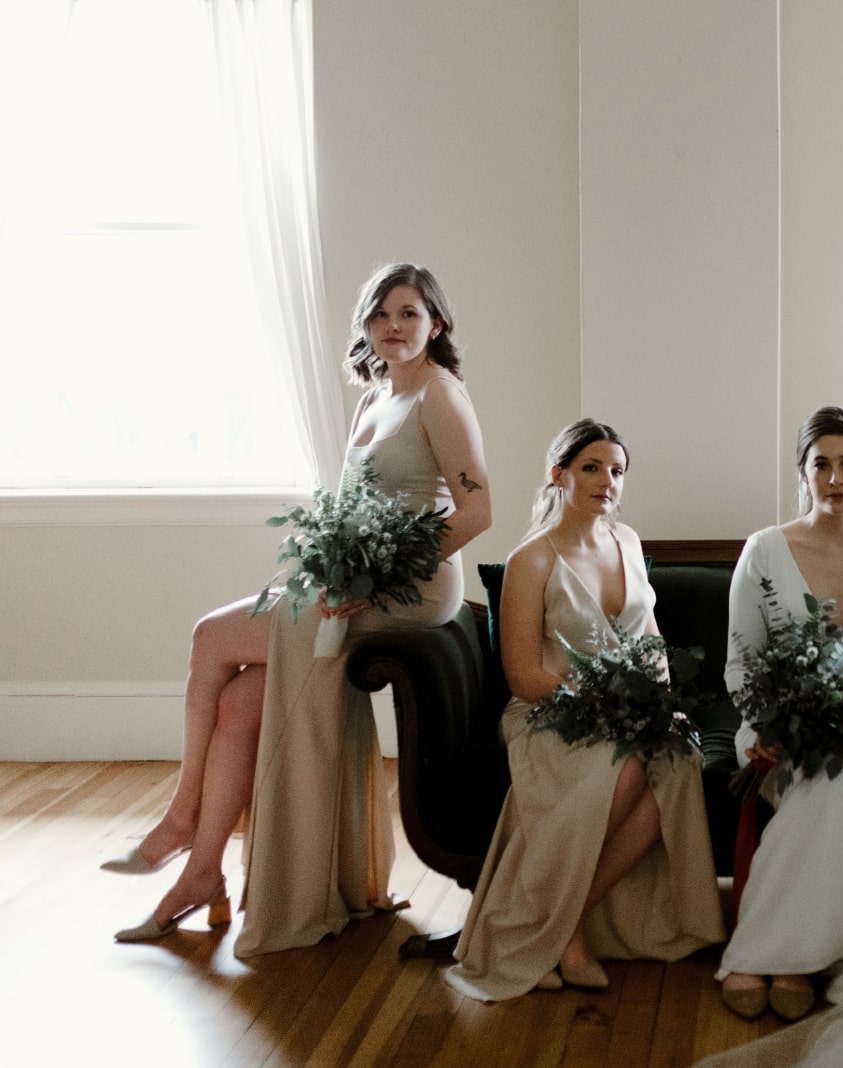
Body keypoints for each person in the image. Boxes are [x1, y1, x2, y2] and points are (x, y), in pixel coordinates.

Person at [105, 263, 492, 948]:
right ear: (366, 328)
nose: (394, 327)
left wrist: (374, 582)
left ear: (436, 323)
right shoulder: (374, 397)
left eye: (408, 313)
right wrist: (331, 566)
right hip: (357, 579)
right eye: (380, 316)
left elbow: (477, 511)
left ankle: (178, 820)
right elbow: (352, 507)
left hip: (412, 591)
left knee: (209, 637)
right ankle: (201, 874)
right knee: (237, 705)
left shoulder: (440, 396)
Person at [445, 419, 724, 1000]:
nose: (607, 481)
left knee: (679, 759)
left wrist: (659, 701)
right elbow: (523, 675)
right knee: (624, 768)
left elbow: (649, 637)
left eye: (617, 471)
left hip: (622, 707)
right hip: (550, 710)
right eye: (592, 468)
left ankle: (570, 923)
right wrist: (599, 701)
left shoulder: (628, 541)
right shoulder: (533, 559)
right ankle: (557, 935)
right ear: (559, 474)